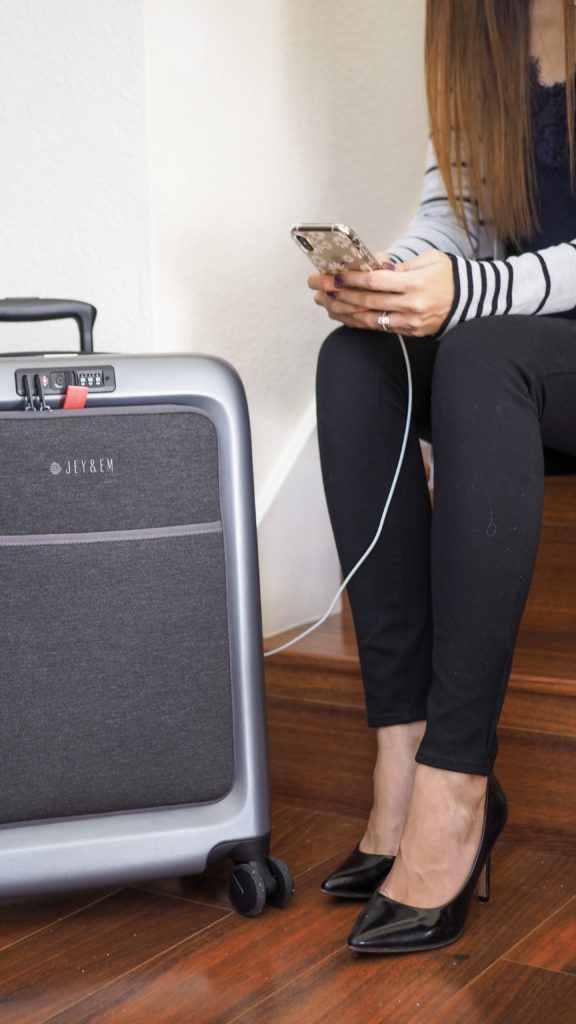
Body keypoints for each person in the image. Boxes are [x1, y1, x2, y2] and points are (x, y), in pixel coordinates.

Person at [310, 0, 576, 953]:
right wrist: (388, 279)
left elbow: (487, 292)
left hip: (518, 354)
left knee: (482, 351)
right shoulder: (479, 35)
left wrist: (471, 296)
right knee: (354, 359)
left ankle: (459, 783)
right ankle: (404, 750)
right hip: (521, 358)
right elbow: (454, 223)